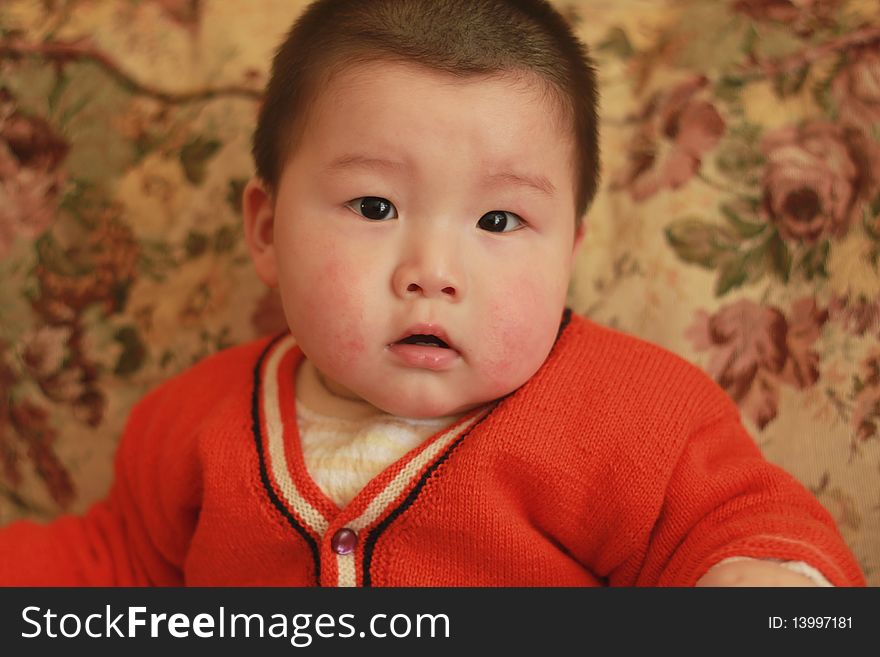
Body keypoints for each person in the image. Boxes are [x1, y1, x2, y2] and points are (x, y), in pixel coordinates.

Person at [0, 0, 865, 587]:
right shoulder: (191, 421)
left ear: (570, 248)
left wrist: (758, 586)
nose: (433, 270)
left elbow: (748, 527)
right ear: (265, 230)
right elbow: (108, 568)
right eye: (374, 206)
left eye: (498, 221)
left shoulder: (638, 416)